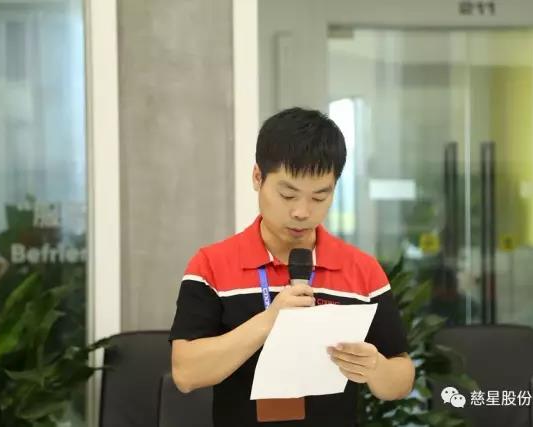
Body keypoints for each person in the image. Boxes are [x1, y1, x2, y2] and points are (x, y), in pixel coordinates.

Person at [169, 107, 415, 426]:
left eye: (319, 197)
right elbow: (186, 373)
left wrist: (375, 369)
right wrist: (269, 321)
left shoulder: (362, 270)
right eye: (288, 195)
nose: (302, 212)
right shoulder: (211, 265)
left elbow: (401, 376)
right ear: (257, 178)